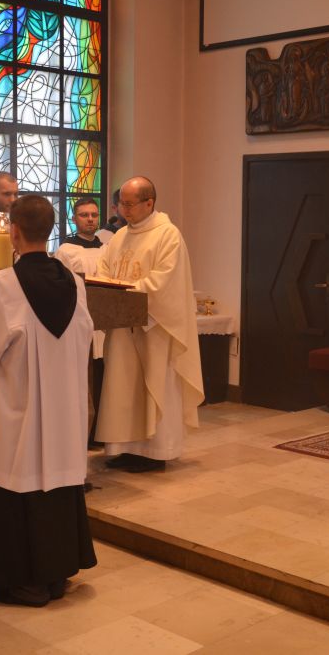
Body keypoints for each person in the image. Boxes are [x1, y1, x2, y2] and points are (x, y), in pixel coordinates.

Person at [0, 194, 96, 607]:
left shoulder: (0, 287)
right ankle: (55, 574)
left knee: (14, 482)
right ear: (51, 230)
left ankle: (24, 581)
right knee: (56, 484)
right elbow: (84, 341)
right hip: (63, 413)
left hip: (16, 413)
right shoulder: (75, 284)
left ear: (13, 232)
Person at [95, 177, 204, 473]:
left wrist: (124, 291)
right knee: (122, 389)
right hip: (123, 327)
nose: (124, 210)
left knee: (155, 386)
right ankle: (126, 449)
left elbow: (164, 281)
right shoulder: (120, 236)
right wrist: (109, 288)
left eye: (130, 204)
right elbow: (103, 269)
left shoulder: (168, 235)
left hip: (154, 327)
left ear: (149, 203)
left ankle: (155, 453)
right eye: (121, 204)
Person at [54, 197, 106, 450]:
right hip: (80, 320)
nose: (90, 219)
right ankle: (84, 432)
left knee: (104, 375)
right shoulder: (66, 250)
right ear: (74, 219)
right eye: (84, 215)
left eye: (94, 215)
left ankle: (103, 432)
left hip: (107, 322)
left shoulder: (108, 248)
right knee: (84, 378)